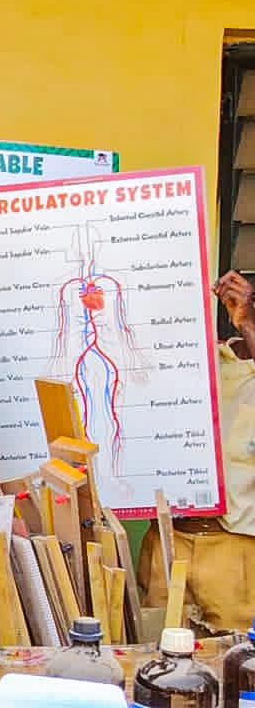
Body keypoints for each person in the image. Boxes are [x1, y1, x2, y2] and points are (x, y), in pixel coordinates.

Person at [136, 269, 255, 632]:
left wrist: (247, 324)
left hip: (234, 546)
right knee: (156, 657)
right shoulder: (145, 368)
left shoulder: (241, 365)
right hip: (167, 536)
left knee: (236, 666)